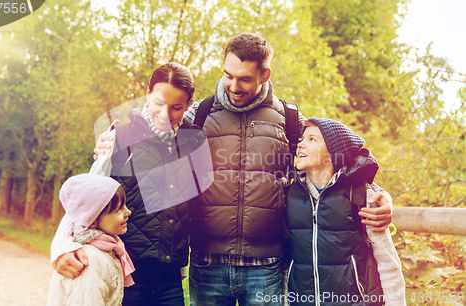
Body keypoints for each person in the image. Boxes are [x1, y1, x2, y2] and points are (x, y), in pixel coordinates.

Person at [92, 33, 393, 306]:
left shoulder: (288, 118)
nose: (233, 87)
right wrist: (110, 142)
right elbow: (154, 136)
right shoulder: (198, 114)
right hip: (207, 263)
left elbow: (332, 160)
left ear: (265, 75)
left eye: (245, 79)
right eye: (228, 75)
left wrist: (377, 194)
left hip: (267, 267)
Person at [51, 63, 211, 306]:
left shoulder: (194, 142)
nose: (165, 114)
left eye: (176, 107)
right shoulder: (120, 138)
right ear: (147, 94)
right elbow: (84, 204)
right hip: (128, 274)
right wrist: (61, 247)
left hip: (170, 278)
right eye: (158, 103)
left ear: (189, 104)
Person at [287, 118, 406, 306]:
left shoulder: (361, 196)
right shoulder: (291, 194)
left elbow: (387, 263)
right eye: (301, 139)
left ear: (333, 153)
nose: (300, 144)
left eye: (312, 140)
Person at [47, 173, 134, 306]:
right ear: (92, 220)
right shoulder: (89, 260)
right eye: (119, 210)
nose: (128, 212)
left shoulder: (106, 250)